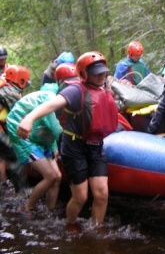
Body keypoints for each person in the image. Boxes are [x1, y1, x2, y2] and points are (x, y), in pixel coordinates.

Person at [16, 51, 118, 231]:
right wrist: (29, 118)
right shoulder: (75, 90)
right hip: (74, 147)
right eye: (97, 73)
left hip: (96, 147)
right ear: (84, 74)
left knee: (102, 194)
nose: (102, 76)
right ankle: (70, 225)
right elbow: (51, 105)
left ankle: (96, 231)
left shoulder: (104, 91)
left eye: (103, 72)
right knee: (81, 197)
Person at [6, 82, 63, 216]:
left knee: (58, 177)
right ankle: (28, 207)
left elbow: (50, 127)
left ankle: (50, 211)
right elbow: (56, 128)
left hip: (40, 135)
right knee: (50, 176)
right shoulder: (51, 101)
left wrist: (54, 146)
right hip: (23, 134)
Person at [0, 65, 31, 190]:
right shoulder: (9, 92)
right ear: (21, 80)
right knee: (16, 157)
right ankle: (22, 192)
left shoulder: (4, 87)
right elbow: (20, 115)